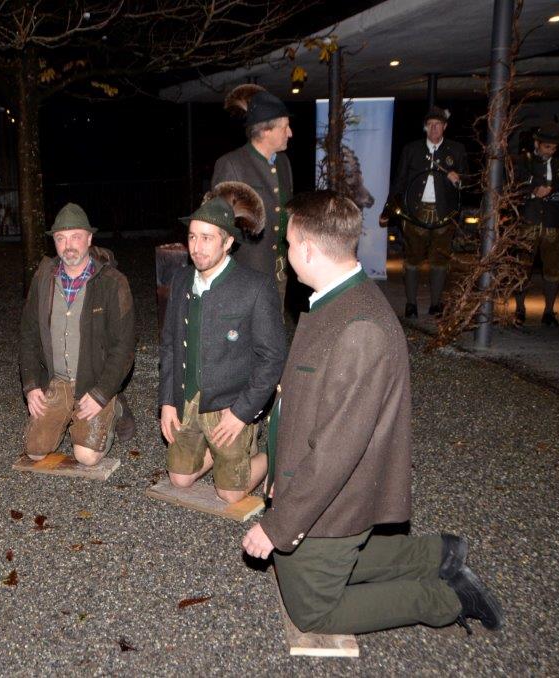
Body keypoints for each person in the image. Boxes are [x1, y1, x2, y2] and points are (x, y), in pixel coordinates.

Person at [243, 190, 503, 635]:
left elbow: (335, 453)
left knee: (311, 611)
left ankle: (449, 598)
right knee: (295, 565)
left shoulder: (359, 329)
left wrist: (278, 526)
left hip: (338, 500)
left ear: (308, 248)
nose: (286, 252)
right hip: (320, 490)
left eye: (289, 244)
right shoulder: (337, 301)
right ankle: (437, 554)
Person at [159, 189, 286, 504]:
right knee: (180, 479)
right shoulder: (181, 280)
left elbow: (272, 358)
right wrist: (168, 401)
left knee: (230, 494)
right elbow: (170, 344)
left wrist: (243, 413)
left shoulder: (255, 287)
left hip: (230, 403)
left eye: (207, 238)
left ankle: (273, 454)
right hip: (188, 397)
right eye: (192, 237)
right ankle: (221, 455)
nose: (197, 247)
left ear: (228, 242)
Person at [19, 203, 136, 466]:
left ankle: (114, 405)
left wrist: (102, 393)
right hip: (58, 381)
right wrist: (31, 385)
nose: (68, 245)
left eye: (75, 237)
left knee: (86, 457)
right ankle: (66, 410)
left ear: (89, 239)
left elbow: (124, 346)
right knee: (35, 452)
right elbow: (28, 334)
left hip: (93, 381)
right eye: (61, 238)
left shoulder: (113, 282)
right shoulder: (43, 278)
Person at [381, 106, 468, 318]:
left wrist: (458, 179)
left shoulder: (456, 150)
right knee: (412, 259)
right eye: (430, 125)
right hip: (415, 214)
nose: (434, 128)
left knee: (440, 260)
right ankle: (411, 304)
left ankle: (436, 304)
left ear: (445, 126)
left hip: (444, 214)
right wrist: (387, 210)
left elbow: (468, 181)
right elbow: (399, 181)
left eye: (438, 124)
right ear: (425, 127)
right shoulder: (411, 149)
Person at [211, 85, 294, 304]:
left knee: (274, 321)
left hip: (280, 269)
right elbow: (218, 226)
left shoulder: (283, 162)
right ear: (266, 131)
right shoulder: (231, 164)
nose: (290, 133)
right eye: (285, 127)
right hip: (246, 275)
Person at [512, 121, 559, 327]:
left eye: (554, 148)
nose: (550, 151)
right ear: (537, 143)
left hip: (552, 224)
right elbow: (512, 188)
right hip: (528, 222)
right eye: (547, 147)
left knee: (552, 270)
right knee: (522, 268)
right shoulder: (522, 161)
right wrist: (533, 190)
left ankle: (549, 312)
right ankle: (520, 309)